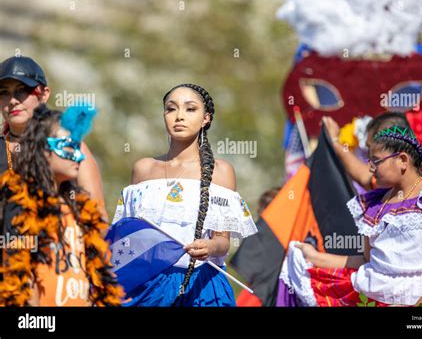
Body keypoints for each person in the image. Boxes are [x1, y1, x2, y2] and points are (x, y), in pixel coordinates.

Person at [112, 83, 257, 306]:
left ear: (206, 118)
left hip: (203, 284)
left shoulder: (221, 171)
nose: (179, 116)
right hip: (149, 286)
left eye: (190, 109)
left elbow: (222, 241)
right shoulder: (144, 169)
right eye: (171, 109)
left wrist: (209, 247)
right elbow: (130, 238)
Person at [297, 125, 422, 306]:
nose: (371, 169)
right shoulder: (376, 203)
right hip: (371, 299)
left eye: (376, 161)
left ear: (402, 160)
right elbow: (369, 260)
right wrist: (314, 257)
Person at [0, 105, 123, 306]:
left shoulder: (80, 209)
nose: (79, 155)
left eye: (77, 146)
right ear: (42, 148)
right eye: (68, 146)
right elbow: (21, 279)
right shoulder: (22, 205)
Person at [0, 56, 107, 220]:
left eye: (22, 90)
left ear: (44, 94)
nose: (13, 100)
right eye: (4, 93)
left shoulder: (68, 146)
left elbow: (99, 219)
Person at [322, 112, 411, 191]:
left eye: (376, 159)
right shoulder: (392, 186)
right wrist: (335, 142)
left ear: (402, 160)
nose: (369, 167)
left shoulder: (421, 200)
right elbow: (365, 177)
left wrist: (335, 142)